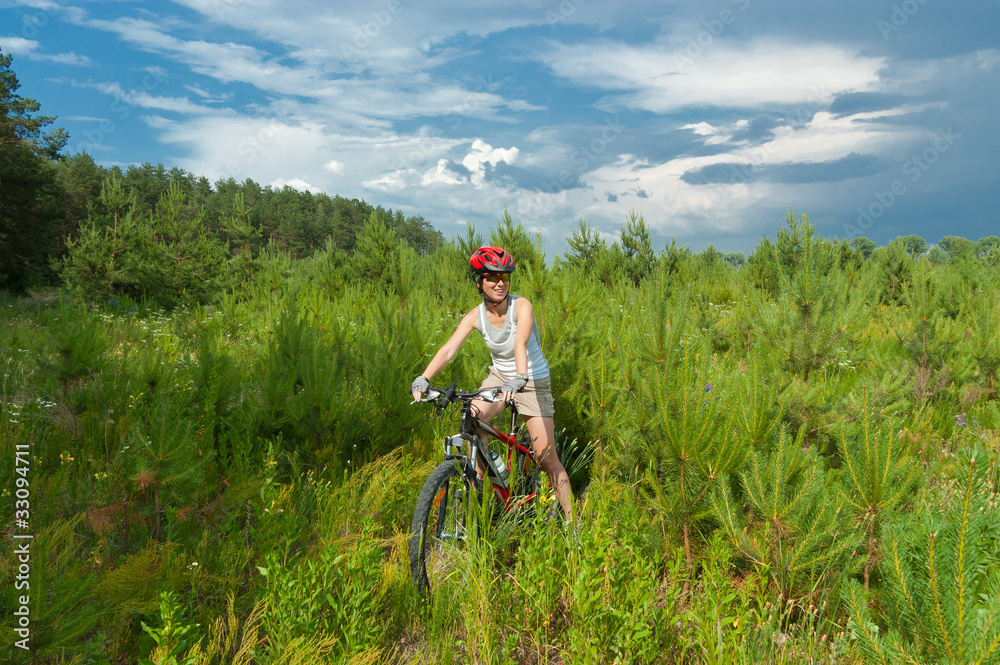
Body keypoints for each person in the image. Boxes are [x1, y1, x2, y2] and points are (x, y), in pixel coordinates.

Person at [410, 246, 573, 521]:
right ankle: (490, 479)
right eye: (492, 277)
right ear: (479, 282)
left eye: (505, 277)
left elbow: (520, 342)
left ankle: (573, 526)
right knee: (472, 415)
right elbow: (449, 350)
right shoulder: (476, 316)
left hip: (531, 378)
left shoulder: (522, 306)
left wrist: (519, 377)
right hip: (499, 377)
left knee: (546, 458)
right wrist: (424, 377)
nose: (500, 283)